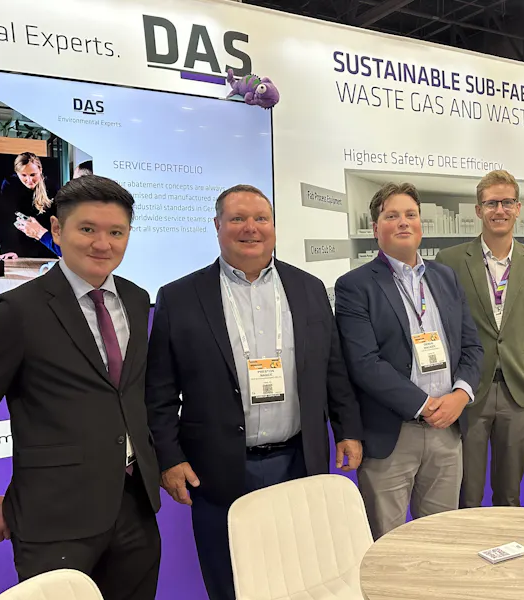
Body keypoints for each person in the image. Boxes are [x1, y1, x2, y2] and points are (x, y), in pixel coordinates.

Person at [0, 175, 162, 600]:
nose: (103, 243)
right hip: (54, 517)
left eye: (116, 232)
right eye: (87, 229)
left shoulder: (136, 299)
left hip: (134, 504)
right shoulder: (19, 310)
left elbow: (128, 395)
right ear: (57, 230)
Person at [145, 184, 363, 600]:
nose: (251, 228)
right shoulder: (179, 297)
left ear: (274, 226)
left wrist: (348, 428)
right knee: (230, 580)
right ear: (217, 226)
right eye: (238, 219)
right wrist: (169, 459)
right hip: (218, 470)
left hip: (299, 461)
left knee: (300, 574)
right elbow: (159, 391)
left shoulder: (309, 288)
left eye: (261, 219)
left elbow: (333, 368)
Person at [335, 182, 483, 539]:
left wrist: (459, 397)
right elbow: (364, 362)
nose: (403, 222)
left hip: (447, 430)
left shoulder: (445, 277)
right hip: (392, 434)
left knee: (443, 537)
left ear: (421, 225)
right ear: (375, 228)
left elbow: (471, 346)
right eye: (392, 215)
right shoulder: (355, 285)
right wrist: (425, 404)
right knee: (387, 541)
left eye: (410, 215)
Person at [434, 170, 524, 507]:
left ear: (518, 208)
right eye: (491, 203)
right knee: (468, 489)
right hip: (470, 390)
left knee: (510, 491)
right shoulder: (450, 261)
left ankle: (508, 552)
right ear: (478, 210)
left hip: (521, 394)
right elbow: (444, 329)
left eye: (507, 202)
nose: (499, 210)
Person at [0, 152, 61, 257]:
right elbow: (5, 219)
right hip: (20, 246)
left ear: (40, 170)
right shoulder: (10, 185)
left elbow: (57, 221)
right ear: (17, 173)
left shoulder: (52, 188)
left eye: (33, 175)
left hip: (46, 244)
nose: (29, 180)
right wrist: (9, 248)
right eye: (24, 175)